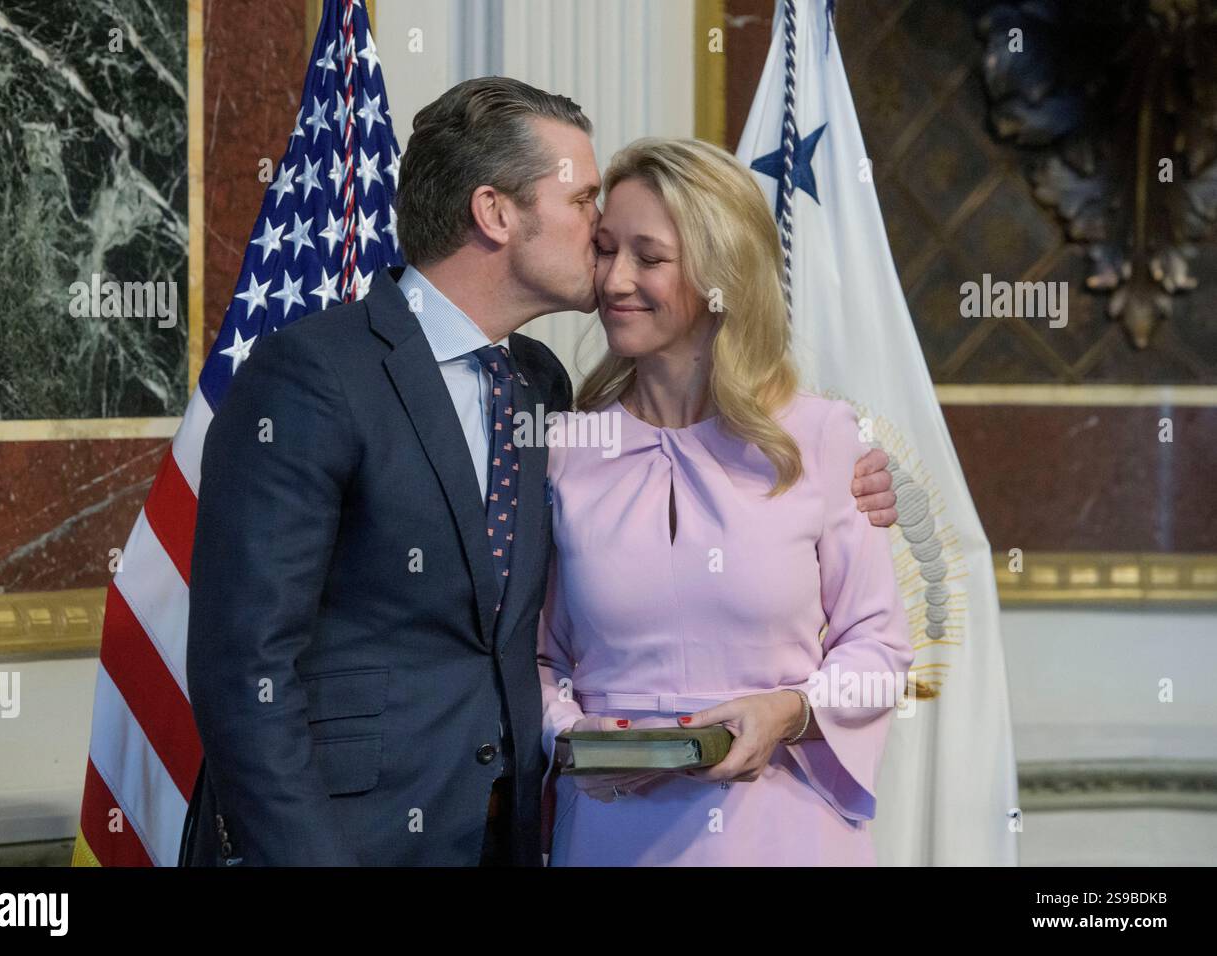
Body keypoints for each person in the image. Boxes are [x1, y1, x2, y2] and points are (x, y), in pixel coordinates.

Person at [181, 77, 898, 867]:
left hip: (515, 835)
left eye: (641, 247)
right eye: (586, 204)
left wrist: (857, 491)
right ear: (495, 213)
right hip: (356, 841)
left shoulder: (541, 388)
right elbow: (241, 670)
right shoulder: (312, 375)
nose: (601, 239)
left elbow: (523, 632)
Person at [538, 137, 914, 865]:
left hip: (788, 835)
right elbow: (529, 657)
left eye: (649, 258)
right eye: (605, 249)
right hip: (612, 836)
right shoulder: (561, 449)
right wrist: (567, 732)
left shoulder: (823, 437)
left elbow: (880, 651)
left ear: (721, 272)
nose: (613, 280)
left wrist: (789, 712)